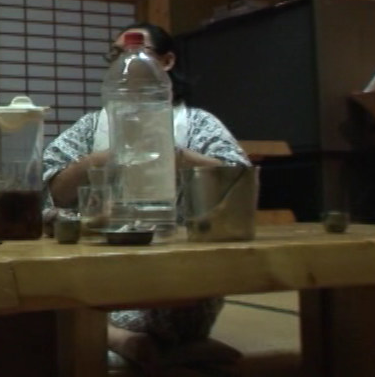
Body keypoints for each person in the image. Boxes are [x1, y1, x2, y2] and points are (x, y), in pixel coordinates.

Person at [42, 22, 251, 372]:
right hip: (97, 264)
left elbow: (238, 177)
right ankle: (139, 344)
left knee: (172, 305)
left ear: (166, 62)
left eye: (136, 52)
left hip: (176, 269)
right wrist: (103, 157)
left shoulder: (196, 122)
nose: (123, 61)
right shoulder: (93, 126)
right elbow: (50, 188)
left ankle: (118, 339)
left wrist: (174, 154)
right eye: (116, 54)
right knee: (29, 295)